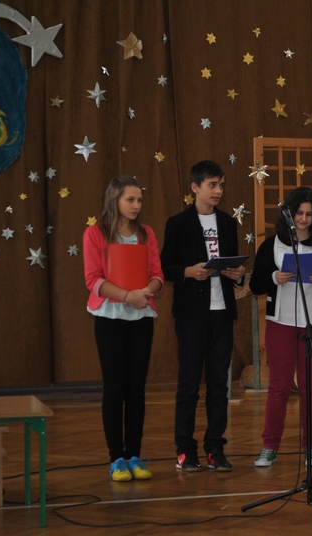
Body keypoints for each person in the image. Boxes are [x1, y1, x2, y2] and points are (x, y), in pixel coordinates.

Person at [160, 160, 246, 472]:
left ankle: (215, 448)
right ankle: (185, 449)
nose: (218, 190)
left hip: (222, 314)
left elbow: (233, 266)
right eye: (212, 185)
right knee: (189, 384)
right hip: (191, 316)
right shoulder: (178, 223)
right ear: (195, 187)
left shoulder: (227, 223)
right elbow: (165, 266)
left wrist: (238, 274)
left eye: (221, 185)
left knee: (219, 385)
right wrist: (188, 271)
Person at [249, 186, 312, 467]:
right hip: (281, 323)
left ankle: (311, 447)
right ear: (289, 214)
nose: (303, 219)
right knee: (279, 387)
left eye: (309, 214)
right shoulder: (272, 245)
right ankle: (269, 447)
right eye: (299, 213)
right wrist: (274, 278)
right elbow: (255, 285)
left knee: (311, 388)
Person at [83, 176, 164, 482]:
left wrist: (146, 291)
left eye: (139, 200)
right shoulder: (95, 233)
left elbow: (157, 275)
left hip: (141, 318)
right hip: (109, 318)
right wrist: (127, 296)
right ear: (115, 200)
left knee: (136, 389)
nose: (136, 205)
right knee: (115, 388)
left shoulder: (146, 234)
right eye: (130, 199)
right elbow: (93, 279)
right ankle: (116, 458)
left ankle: (134, 456)